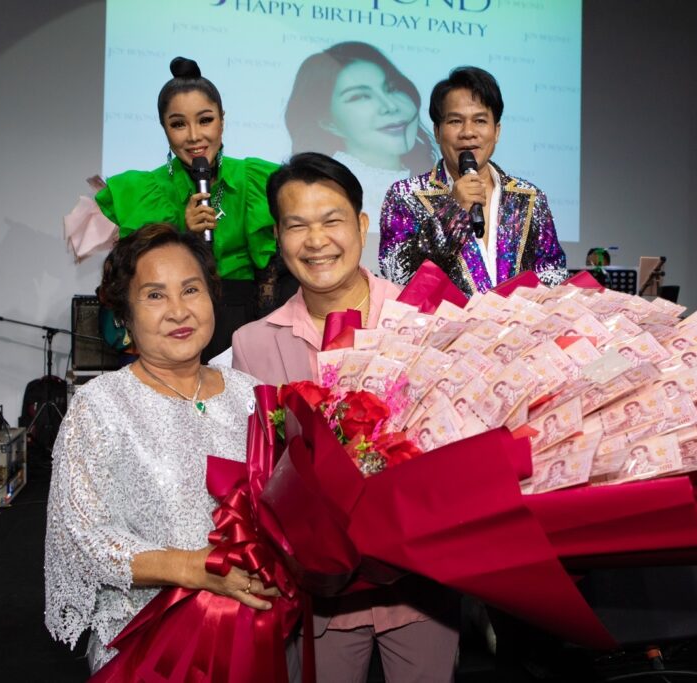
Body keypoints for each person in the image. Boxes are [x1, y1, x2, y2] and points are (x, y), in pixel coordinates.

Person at [232, 153, 459, 682]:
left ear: (361, 224)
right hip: (318, 595)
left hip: (420, 583)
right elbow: (259, 473)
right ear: (278, 236)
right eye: (297, 225)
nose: (316, 241)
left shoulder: (422, 317)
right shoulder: (253, 343)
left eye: (331, 220)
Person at [44, 224, 277, 674]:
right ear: (125, 315)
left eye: (191, 289)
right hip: (149, 644)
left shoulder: (251, 395)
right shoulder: (101, 406)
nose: (178, 311)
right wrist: (193, 568)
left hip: (253, 632)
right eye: (154, 295)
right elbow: (82, 537)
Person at [65, 56, 296, 360]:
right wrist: (180, 233)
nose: (194, 136)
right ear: (164, 128)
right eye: (178, 124)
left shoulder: (256, 179)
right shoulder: (144, 191)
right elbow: (131, 278)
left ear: (222, 120)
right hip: (174, 324)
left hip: (243, 321)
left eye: (205, 120)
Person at [379, 66, 567, 296]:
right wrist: (452, 213)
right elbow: (396, 276)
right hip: (441, 320)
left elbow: (553, 272)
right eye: (455, 121)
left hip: (517, 319)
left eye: (479, 120)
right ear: (437, 131)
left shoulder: (528, 197)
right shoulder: (405, 196)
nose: (468, 132)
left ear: (496, 131)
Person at [286, 42, 435, 233]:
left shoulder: (438, 183)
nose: (390, 106)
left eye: (392, 88)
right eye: (360, 97)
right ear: (328, 122)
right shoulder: (321, 191)